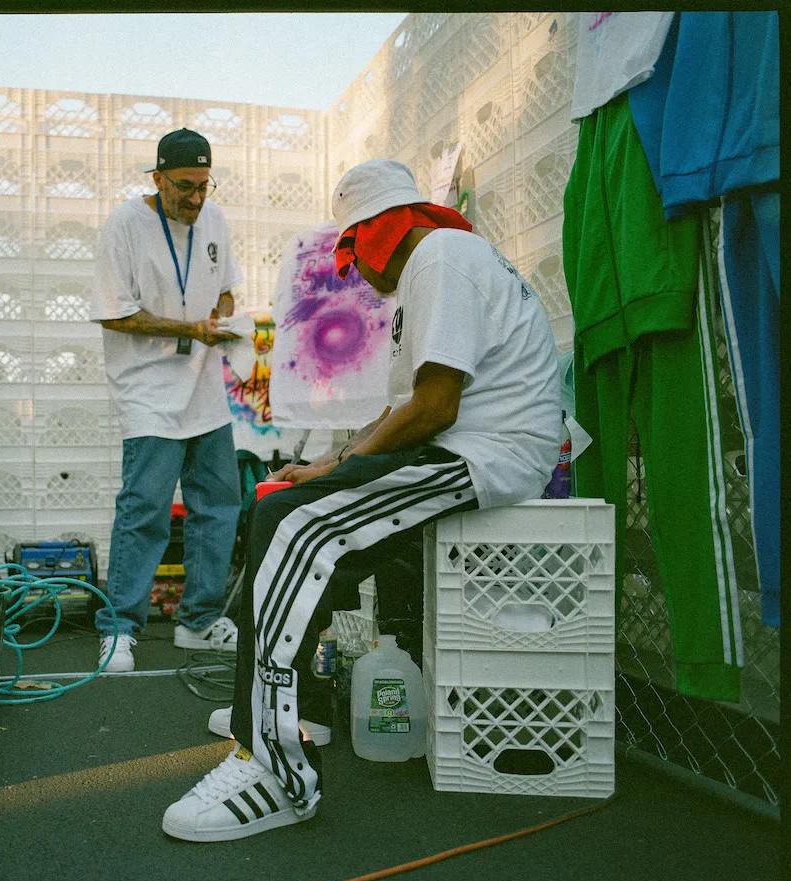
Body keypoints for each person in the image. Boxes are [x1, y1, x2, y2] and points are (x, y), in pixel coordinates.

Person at [161, 158, 562, 842]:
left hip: (487, 454)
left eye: (351, 254)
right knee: (289, 508)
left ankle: (274, 771)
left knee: (294, 526)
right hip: (460, 446)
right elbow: (407, 410)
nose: (355, 277)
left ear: (375, 233)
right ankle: (296, 707)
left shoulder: (439, 257)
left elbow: (435, 408)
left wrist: (335, 471)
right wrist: (326, 464)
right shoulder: (440, 263)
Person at [90, 128, 244, 673]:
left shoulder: (215, 219)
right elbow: (114, 313)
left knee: (219, 506)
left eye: (204, 185)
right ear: (156, 179)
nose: (196, 198)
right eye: (184, 186)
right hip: (148, 389)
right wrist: (189, 328)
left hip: (204, 385)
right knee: (145, 511)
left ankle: (198, 622)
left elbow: (226, 284)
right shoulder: (124, 225)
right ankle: (119, 629)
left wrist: (224, 316)